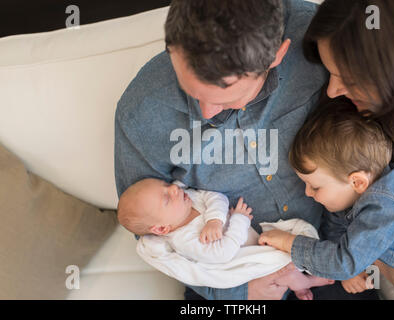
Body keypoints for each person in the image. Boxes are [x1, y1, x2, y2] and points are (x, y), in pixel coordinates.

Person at [115, 0, 376, 300]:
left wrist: (378, 245)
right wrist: (241, 291)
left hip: (331, 248)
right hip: (230, 278)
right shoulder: (140, 114)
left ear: (277, 56)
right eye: (192, 92)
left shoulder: (320, 40)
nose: (207, 113)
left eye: (226, 99)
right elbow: (145, 222)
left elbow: (373, 138)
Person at [301, 0, 394, 299]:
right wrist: (381, 262)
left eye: (350, 80)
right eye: (331, 72)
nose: (331, 91)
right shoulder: (349, 115)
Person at [259, 98, 394, 300]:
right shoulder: (352, 200)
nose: (307, 193)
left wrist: (289, 242)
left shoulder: (386, 205)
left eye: (315, 186)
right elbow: (336, 231)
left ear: (357, 182)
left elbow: (344, 262)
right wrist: (350, 273)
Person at [117, 178, 334, 300]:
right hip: (245, 259)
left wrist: (215, 220)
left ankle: (305, 278)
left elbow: (215, 198)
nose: (174, 188)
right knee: (286, 270)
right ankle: (306, 283)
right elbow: (223, 253)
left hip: (254, 240)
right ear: (162, 228)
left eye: (166, 186)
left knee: (289, 254)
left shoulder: (188, 200)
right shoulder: (185, 241)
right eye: (166, 197)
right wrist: (238, 219)